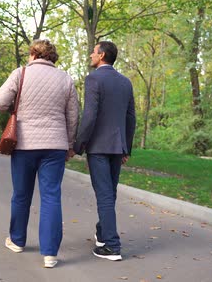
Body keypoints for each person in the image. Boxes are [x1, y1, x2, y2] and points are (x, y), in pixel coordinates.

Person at [0, 39, 79, 268]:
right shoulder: (66, 79)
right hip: (55, 146)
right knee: (51, 196)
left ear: (33, 54)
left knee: (21, 195)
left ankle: (18, 241)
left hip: (24, 146)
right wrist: (69, 144)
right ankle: (50, 254)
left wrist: (13, 108)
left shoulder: (20, 74)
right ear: (52, 57)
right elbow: (72, 117)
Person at [73, 41, 136, 261]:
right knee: (110, 194)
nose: (91, 54)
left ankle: (112, 246)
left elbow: (89, 116)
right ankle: (102, 234)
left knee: (105, 195)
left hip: (99, 147)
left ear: (101, 55)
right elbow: (130, 118)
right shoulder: (125, 82)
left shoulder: (94, 79)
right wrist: (126, 147)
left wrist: (78, 145)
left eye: (93, 52)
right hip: (117, 147)